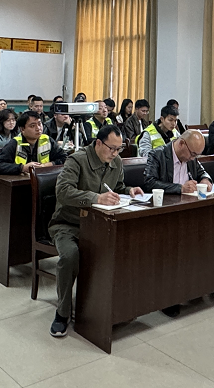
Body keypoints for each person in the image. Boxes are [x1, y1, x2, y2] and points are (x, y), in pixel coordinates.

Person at [48, 124, 143, 337]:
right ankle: (62, 312)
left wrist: (129, 190)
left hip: (100, 226)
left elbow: (116, 188)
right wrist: (95, 198)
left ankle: (113, 308)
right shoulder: (77, 160)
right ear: (98, 143)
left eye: (119, 149)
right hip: (69, 224)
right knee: (70, 256)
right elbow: (63, 192)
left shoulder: (116, 162)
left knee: (126, 249)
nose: (115, 153)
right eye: (112, 148)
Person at [0, 112, 67, 175]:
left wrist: (45, 165)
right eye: (32, 126)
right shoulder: (15, 143)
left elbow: (64, 158)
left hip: (44, 180)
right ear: (22, 129)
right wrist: (22, 168)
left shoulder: (47, 140)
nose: (38, 128)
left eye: (39, 124)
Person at [143, 129, 213, 194]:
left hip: (189, 200)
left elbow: (202, 173)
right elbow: (149, 183)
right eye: (193, 154)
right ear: (181, 143)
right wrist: (180, 188)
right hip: (167, 201)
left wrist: (205, 179)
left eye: (196, 156)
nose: (193, 158)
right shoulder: (158, 155)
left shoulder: (191, 156)